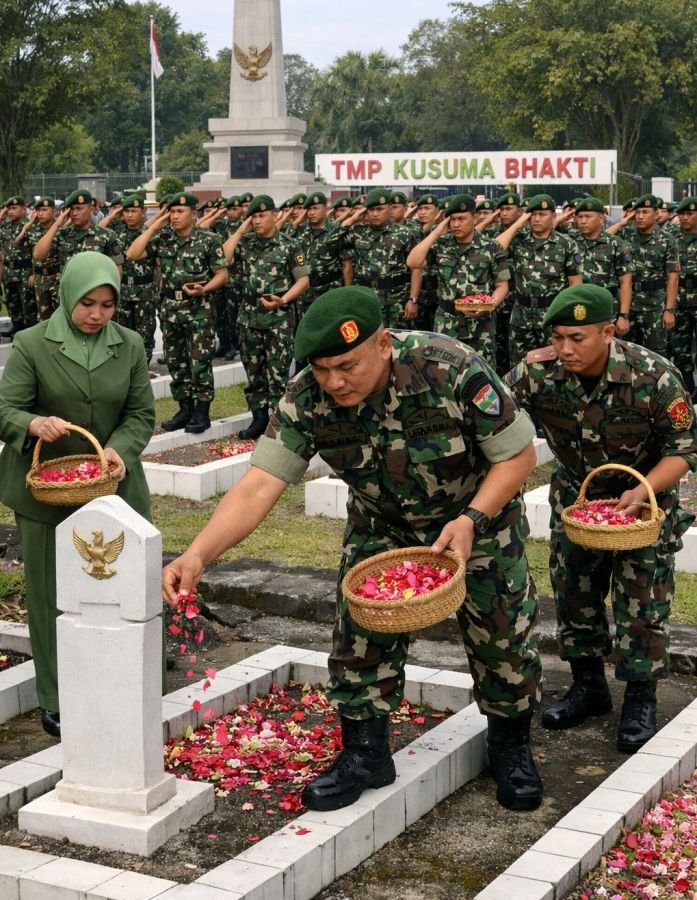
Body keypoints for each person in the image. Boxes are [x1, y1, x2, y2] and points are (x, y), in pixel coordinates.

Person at [163, 285, 544, 813]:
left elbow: (517, 456)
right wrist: (198, 554)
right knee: (359, 638)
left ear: (383, 344)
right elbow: (260, 484)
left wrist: (471, 518)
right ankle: (365, 753)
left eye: (347, 366)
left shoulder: (449, 368)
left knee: (502, 636)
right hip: (382, 525)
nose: (335, 382)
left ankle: (509, 745)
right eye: (322, 369)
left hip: (478, 519)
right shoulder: (306, 397)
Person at [506, 284, 697, 753]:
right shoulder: (536, 372)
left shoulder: (653, 375)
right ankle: (588, 687)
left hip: (644, 501)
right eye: (557, 338)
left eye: (577, 338)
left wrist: (643, 490)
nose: (565, 349)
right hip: (577, 499)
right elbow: (493, 416)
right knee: (575, 593)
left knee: (642, 600)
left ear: (608, 332)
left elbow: (684, 449)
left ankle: (640, 698)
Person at [0, 252, 156, 738]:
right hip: (45, 492)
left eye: (108, 305)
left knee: (121, 586)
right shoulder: (32, 344)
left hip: (113, 485)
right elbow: (6, 408)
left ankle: (126, 679)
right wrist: (33, 423)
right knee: (51, 594)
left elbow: (140, 414)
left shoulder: (129, 344)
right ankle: (57, 695)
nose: (97, 314)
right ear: (67, 296)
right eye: (88, 303)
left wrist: (118, 449)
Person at [126, 192, 229, 434]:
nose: (174, 216)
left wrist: (205, 288)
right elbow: (132, 254)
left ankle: (201, 412)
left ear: (194, 213)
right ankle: (184, 408)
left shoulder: (209, 240)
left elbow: (222, 274)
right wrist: (154, 226)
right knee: (176, 360)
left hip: (199, 310)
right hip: (171, 309)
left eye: (180, 211)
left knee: (199, 362)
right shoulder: (163, 239)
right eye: (171, 212)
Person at [223, 194, 310, 440]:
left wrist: (284, 300)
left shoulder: (289, 245)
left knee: (278, 373)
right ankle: (258, 419)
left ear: (275, 215)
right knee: (254, 373)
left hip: (279, 318)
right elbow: (224, 258)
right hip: (249, 317)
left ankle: (279, 421)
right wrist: (241, 230)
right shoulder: (246, 243)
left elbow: (303, 280)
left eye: (262, 216)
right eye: (253, 217)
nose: (257, 221)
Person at [406, 193, 509, 367]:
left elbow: (502, 285)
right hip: (447, 322)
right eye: (452, 219)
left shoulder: (491, 247)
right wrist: (436, 232)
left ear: (474, 218)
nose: (456, 224)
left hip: (481, 325)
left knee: (481, 371)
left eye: (461, 219)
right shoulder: (442, 244)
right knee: (444, 372)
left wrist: (490, 304)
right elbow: (412, 262)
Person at [495, 193, 582, 366]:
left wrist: (570, 318)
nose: (536, 219)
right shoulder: (519, 240)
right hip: (521, 315)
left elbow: (575, 283)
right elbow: (493, 249)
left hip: (552, 314)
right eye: (532, 214)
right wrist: (517, 224)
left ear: (553, 216)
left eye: (542, 214)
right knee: (520, 366)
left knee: (554, 364)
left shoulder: (566, 244)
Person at [671, 197, 697, 396]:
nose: (685, 218)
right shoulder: (670, 238)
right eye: (681, 214)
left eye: (690, 214)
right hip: (678, 302)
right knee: (679, 350)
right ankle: (688, 390)